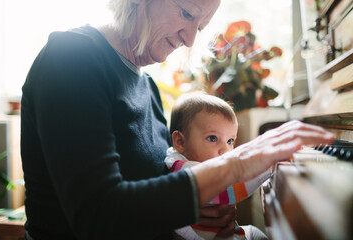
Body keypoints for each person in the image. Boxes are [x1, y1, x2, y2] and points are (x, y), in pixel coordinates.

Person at [20, 0, 335, 239]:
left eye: (199, 27)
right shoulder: (71, 58)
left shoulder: (147, 87)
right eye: (187, 13)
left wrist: (202, 208)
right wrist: (234, 166)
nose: (189, 39)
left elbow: (159, 187)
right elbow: (99, 217)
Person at [165, 92, 268, 240]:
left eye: (230, 141)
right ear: (180, 142)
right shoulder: (185, 169)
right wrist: (265, 167)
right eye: (212, 138)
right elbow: (232, 187)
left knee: (255, 233)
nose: (226, 151)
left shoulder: (178, 159)